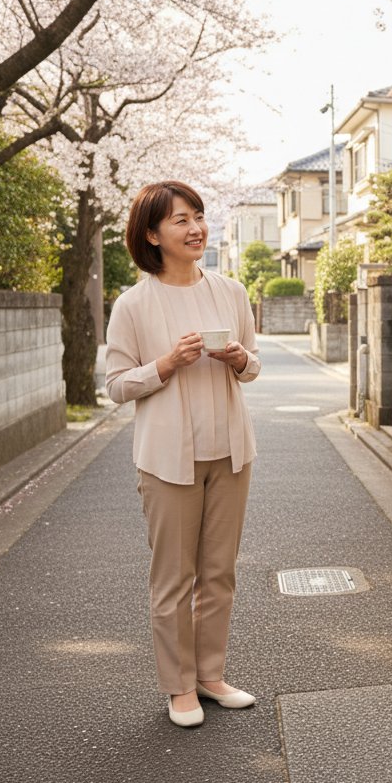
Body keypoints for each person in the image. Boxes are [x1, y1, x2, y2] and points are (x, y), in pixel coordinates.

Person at [105, 181, 261, 728]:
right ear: (152, 234)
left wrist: (241, 359)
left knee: (219, 572)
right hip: (167, 459)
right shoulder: (134, 304)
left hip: (230, 452)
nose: (196, 228)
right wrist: (166, 364)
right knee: (174, 576)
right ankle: (178, 687)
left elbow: (255, 366)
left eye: (198, 215)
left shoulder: (231, 291)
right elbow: (116, 385)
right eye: (180, 220)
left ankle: (210, 675)